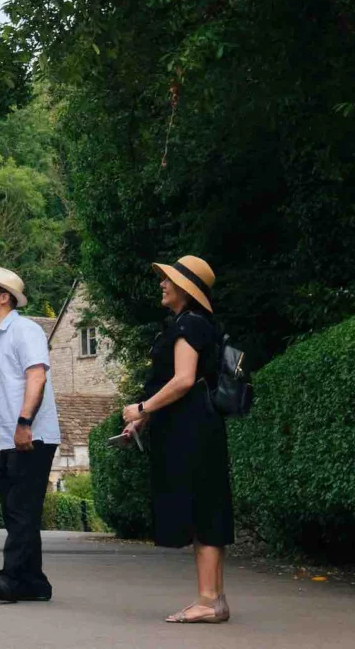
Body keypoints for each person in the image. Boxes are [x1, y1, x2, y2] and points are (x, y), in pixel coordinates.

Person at [120, 255, 234, 624]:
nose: (162, 284)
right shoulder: (196, 323)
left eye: (168, 280)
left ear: (186, 289)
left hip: (192, 430)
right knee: (208, 506)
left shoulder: (189, 327)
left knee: (202, 509)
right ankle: (214, 598)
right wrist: (145, 419)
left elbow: (184, 379)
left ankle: (207, 601)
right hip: (200, 425)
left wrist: (141, 408)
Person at [0, 266, 60, 603]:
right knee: (14, 510)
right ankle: (34, 582)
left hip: (33, 436)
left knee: (22, 509)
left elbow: (37, 378)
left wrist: (25, 424)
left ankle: (10, 579)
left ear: (5, 297)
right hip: (8, 438)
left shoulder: (26, 330)